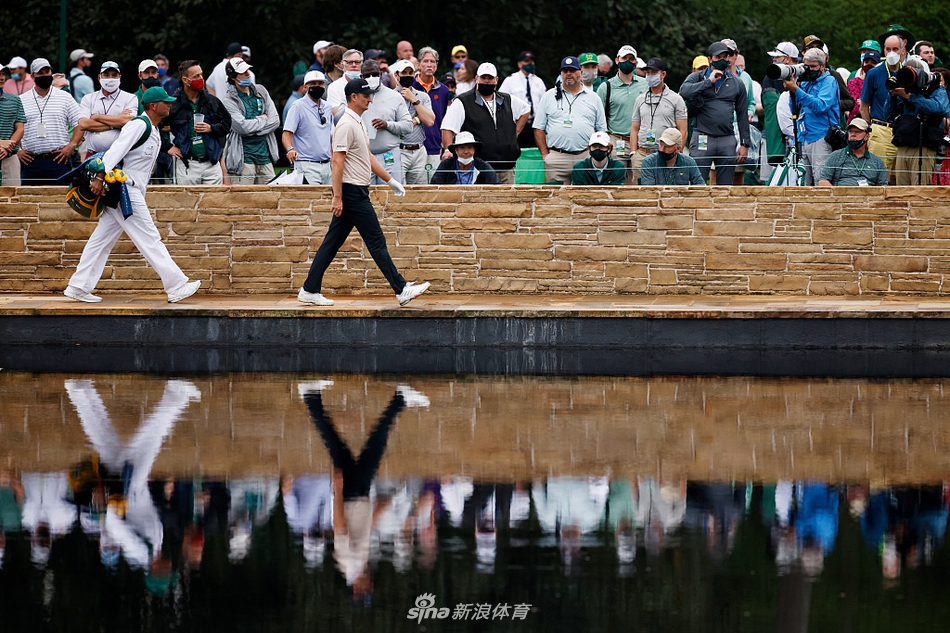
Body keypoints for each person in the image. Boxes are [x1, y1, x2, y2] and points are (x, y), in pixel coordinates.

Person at [297, 78, 427, 308]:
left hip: (355, 190)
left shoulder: (357, 122)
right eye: (365, 95)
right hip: (351, 192)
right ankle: (401, 289)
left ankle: (309, 289)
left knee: (332, 242)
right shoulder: (346, 124)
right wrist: (337, 197)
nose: (370, 98)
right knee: (376, 240)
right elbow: (337, 161)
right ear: (353, 97)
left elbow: (366, 156)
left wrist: (391, 181)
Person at [64, 87, 201, 304]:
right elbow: (117, 149)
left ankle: (78, 286)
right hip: (125, 188)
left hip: (130, 187)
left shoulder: (154, 129)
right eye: (165, 102)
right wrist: (100, 176)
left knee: (101, 240)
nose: (169, 104)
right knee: (149, 237)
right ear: (153, 106)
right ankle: (176, 285)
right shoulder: (139, 125)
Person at [298, 380, 428, 602]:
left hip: (352, 494)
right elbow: (362, 532)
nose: (372, 584)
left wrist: (337, 491)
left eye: (368, 589)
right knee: (336, 443)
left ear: (358, 589)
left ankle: (400, 399)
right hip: (357, 495)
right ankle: (311, 397)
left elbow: (340, 527)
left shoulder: (351, 564)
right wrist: (379, 510)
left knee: (374, 447)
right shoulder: (354, 565)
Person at [441, 62, 528, 184]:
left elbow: (526, 110)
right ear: (476, 78)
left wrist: (514, 133)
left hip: (506, 167)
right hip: (478, 168)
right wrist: (447, 150)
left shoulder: (507, 99)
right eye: (483, 78)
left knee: (508, 202)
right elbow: (447, 128)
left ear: (496, 80)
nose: (486, 81)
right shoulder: (463, 101)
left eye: (490, 78)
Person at [679, 41, 751, 184]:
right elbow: (683, 92)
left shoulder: (736, 82)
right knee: (697, 182)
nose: (723, 60)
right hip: (702, 136)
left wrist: (745, 143)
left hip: (727, 138)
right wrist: (708, 82)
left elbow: (743, 114)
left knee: (725, 186)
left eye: (726, 57)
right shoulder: (698, 77)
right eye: (718, 57)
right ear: (710, 59)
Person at [163, 59, 232, 185]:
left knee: (214, 203)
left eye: (201, 74)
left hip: (212, 164)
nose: (201, 78)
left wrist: (212, 128)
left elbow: (227, 124)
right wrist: (167, 147)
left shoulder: (212, 101)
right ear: (185, 80)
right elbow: (155, 125)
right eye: (196, 76)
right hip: (187, 165)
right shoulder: (174, 104)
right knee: (187, 204)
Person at [17, 58, 83, 186]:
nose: (44, 75)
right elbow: (13, 127)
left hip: (59, 159)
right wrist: (18, 150)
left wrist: (72, 145)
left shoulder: (65, 97)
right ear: (32, 76)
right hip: (30, 161)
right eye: (40, 73)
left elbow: (80, 123)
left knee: (59, 201)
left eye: (47, 72)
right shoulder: (22, 99)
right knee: (29, 201)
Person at [887, 57, 950, 185]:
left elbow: (940, 108)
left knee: (920, 189)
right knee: (901, 190)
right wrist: (893, 95)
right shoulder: (904, 88)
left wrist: (911, 97)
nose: (911, 78)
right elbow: (887, 114)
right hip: (903, 144)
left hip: (924, 146)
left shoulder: (935, 89)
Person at [861, 25, 914, 177]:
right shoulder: (874, 73)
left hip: (904, 132)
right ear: (883, 50)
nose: (892, 53)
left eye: (895, 49)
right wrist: (870, 130)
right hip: (881, 129)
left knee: (901, 180)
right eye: (888, 49)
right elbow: (864, 106)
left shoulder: (910, 73)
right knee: (877, 177)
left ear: (903, 50)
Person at [785, 47, 840, 185]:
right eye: (806, 66)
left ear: (822, 66)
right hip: (804, 136)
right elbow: (795, 108)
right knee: (803, 180)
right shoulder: (805, 82)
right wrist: (794, 89)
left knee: (820, 178)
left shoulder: (830, 81)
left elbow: (820, 106)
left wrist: (796, 90)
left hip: (821, 136)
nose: (809, 69)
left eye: (813, 66)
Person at [221, 57, 279, 184]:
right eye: (243, 72)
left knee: (270, 200)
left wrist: (253, 128)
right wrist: (262, 118)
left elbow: (275, 121)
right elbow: (242, 128)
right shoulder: (227, 100)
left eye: (247, 69)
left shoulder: (261, 91)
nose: (248, 74)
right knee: (244, 201)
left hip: (265, 157)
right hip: (243, 160)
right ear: (232, 77)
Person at [630, 57, 688, 184]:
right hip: (642, 154)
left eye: (654, 73)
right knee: (640, 193)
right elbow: (634, 128)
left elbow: (683, 130)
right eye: (648, 73)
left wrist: (677, 153)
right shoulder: (640, 99)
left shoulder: (676, 99)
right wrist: (634, 153)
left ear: (663, 74)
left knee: (666, 190)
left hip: (666, 154)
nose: (650, 76)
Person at [359, 59, 413, 184]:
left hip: (389, 156)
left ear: (381, 75)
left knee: (390, 196)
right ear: (361, 77)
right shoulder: (356, 97)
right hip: (365, 156)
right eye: (367, 75)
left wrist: (387, 124)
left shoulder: (394, 96)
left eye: (375, 74)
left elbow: (408, 125)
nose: (371, 78)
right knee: (367, 196)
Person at [597, 45, 647, 171]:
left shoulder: (645, 84)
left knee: (639, 182)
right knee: (617, 181)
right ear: (617, 60)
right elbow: (599, 117)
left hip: (640, 141)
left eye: (631, 59)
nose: (628, 62)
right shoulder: (605, 87)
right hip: (617, 140)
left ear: (636, 62)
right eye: (625, 58)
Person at [77, 61, 139, 159]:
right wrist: (116, 122)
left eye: (114, 75)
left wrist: (97, 117)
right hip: (93, 155)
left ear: (119, 77)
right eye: (106, 75)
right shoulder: (88, 98)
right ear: (99, 77)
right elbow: (84, 124)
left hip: (119, 157)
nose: (110, 78)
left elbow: (127, 121)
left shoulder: (130, 98)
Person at [282, 70, 334, 184]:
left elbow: (330, 134)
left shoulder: (328, 107)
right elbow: (286, 133)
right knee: (313, 200)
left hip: (327, 165)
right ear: (305, 86)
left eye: (320, 83)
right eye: (313, 83)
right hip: (306, 164)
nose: (317, 86)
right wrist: (290, 150)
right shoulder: (297, 106)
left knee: (329, 200)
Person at [390, 59, 434, 185]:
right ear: (396, 75)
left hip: (419, 149)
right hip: (399, 149)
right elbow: (392, 122)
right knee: (399, 189)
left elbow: (430, 121)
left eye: (410, 73)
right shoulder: (390, 96)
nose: (408, 76)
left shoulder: (422, 96)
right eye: (404, 73)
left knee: (419, 192)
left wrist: (414, 99)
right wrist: (415, 119)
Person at [413, 47, 451, 179]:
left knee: (433, 187)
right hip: (413, 146)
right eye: (426, 61)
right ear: (418, 64)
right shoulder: (409, 86)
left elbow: (443, 118)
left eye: (433, 62)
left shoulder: (444, 90)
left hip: (434, 145)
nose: (429, 65)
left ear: (436, 65)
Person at [817, 118, 887, 186]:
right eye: (850, 131)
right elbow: (822, 181)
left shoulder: (877, 161)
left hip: (868, 196)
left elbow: (883, 186)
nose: (853, 134)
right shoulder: (835, 156)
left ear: (867, 136)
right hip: (842, 195)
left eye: (858, 132)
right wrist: (837, 196)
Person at [499, 51, 546, 148]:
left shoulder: (538, 81)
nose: (530, 64)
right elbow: (501, 101)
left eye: (532, 61)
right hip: (518, 123)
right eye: (526, 61)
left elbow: (544, 103)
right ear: (519, 64)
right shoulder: (510, 80)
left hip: (535, 123)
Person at [639, 128, 705, 185]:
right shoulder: (649, 162)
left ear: (678, 149)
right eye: (661, 145)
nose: (662, 149)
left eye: (667, 147)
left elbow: (701, 187)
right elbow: (649, 191)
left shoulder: (689, 162)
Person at [430, 130, 500, 184]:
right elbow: (435, 185)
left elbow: (496, 185)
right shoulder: (447, 165)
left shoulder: (482, 166)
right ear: (456, 150)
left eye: (469, 147)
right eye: (462, 148)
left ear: (474, 150)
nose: (466, 151)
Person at [0, 72, 26, 185]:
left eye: (2, 74)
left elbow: (20, 128)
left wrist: (7, 147)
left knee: (14, 197)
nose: (1, 78)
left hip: (9, 156)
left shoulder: (15, 100)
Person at [847, 50, 880, 123]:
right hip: (856, 122)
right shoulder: (854, 82)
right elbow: (856, 107)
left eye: (873, 62)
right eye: (866, 62)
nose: (869, 65)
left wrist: (864, 103)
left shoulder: (881, 83)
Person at [328, 49, 364, 117]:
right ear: (343, 65)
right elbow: (336, 112)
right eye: (350, 62)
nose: (354, 65)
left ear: (362, 64)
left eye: (357, 62)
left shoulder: (367, 84)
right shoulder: (334, 87)